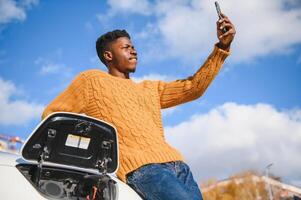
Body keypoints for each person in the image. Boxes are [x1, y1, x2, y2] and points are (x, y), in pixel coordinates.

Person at [42, 13, 235, 200]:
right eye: (126, 47)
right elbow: (53, 115)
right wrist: (89, 155)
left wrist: (222, 47)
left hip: (180, 167)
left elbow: (193, 88)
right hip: (143, 169)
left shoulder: (150, 89)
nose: (133, 50)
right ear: (108, 55)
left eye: (133, 46)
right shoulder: (91, 81)